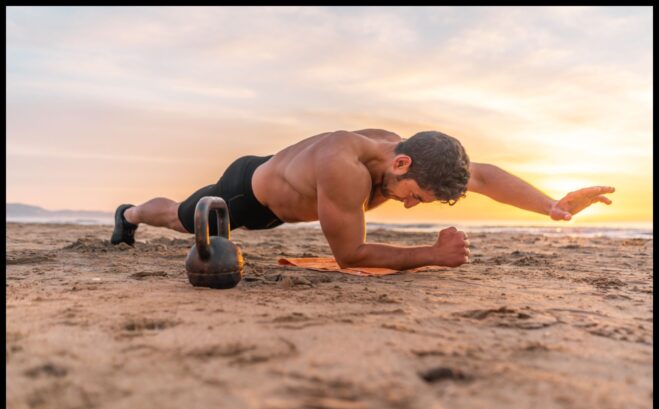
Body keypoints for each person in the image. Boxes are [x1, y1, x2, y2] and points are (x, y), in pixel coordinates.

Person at [111, 129, 614, 270]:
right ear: (401, 165)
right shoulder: (343, 168)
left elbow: (483, 176)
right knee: (178, 218)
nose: (410, 206)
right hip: (250, 194)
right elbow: (348, 256)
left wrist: (554, 205)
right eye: (414, 198)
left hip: (297, 184)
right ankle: (128, 213)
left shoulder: (408, 157)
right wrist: (432, 256)